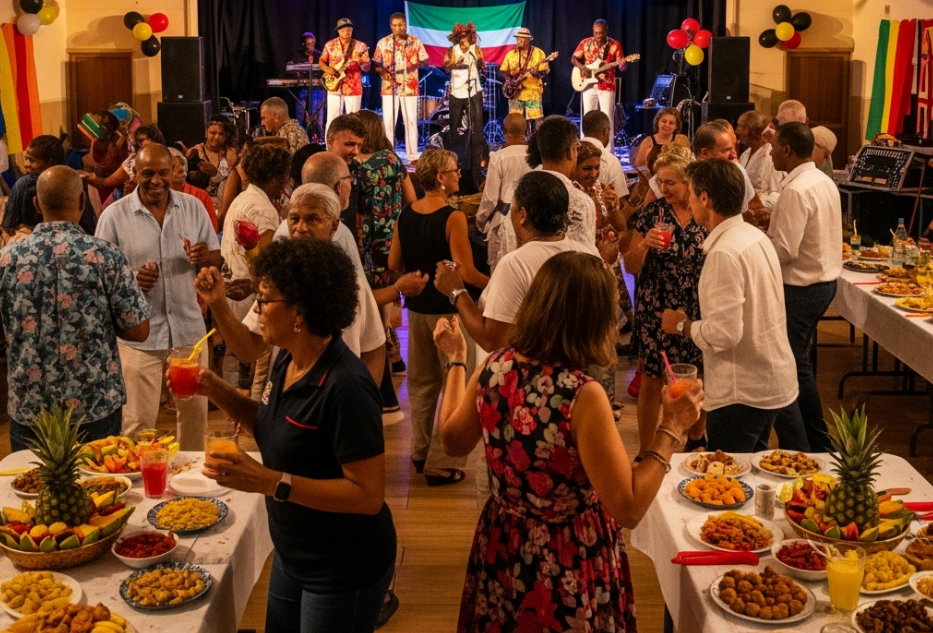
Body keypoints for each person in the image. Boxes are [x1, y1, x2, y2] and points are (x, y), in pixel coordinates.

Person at [434, 250, 704, 633]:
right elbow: (628, 508)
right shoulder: (582, 395)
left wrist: (457, 358)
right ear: (592, 321)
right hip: (567, 552)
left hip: (504, 541)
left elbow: (452, 442)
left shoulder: (494, 367)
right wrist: (672, 428)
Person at [188, 238, 396, 633]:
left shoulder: (346, 386)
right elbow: (272, 426)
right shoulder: (287, 359)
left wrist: (269, 481)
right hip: (293, 554)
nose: (256, 309)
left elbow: (368, 496)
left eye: (265, 300)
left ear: (299, 311)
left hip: (341, 567)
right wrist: (215, 388)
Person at [0, 166, 151, 452]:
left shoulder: (7, 260)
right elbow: (139, 331)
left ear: (37, 204)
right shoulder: (105, 256)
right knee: (96, 481)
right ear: (82, 200)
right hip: (94, 406)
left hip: (30, 407)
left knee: (30, 481)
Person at [661, 158, 806, 452]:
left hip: (743, 391)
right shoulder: (754, 236)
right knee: (753, 469)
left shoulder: (725, 253)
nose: (689, 201)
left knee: (728, 474)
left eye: (691, 193)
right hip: (769, 376)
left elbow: (725, 334)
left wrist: (682, 325)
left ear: (705, 198)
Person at [96, 144, 222, 449]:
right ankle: (138, 478)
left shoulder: (193, 208)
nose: (156, 181)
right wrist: (132, 281)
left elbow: (216, 259)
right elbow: (100, 277)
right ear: (134, 173)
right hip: (140, 337)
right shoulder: (114, 217)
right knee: (137, 424)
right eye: (147, 173)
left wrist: (205, 257)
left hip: (188, 335)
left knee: (194, 419)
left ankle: (191, 476)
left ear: (174, 172)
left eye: (163, 173)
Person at [389, 149, 488, 486]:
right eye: (454, 170)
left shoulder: (405, 214)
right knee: (457, 382)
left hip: (417, 310)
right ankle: (442, 462)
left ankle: (420, 452)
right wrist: (495, 283)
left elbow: (394, 263)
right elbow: (465, 271)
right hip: (450, 312)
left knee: (421, 384)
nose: (460, 174)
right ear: (440, 178)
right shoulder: (452, 217)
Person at [623, 148, 707, 458]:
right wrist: (645, 245)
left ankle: (696, 439)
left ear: (688, 182)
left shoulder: (705, 212)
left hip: (696, 308)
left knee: (698, 376)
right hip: (656, 309)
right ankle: (646, 451)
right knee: (652, 379)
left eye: (670, 182)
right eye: (659, 181)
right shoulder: (652, 214)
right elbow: (631, 265)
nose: (663, 188)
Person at [768, 122, 842, 452]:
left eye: (774, 146)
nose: (770, 152)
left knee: (787, 366)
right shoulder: (822, 181)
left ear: (787, 149)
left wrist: (756, 243)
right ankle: (815, 441)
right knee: (798, 364)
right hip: (823, 283)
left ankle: (807, 444)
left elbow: (785, 250)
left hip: (801, 287)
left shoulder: (797, 190)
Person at [521, 116, 597, 249]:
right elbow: (585, 256)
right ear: (569, 152)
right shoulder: (579, 201)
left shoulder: (520, 194)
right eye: (576, 148)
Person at [4, 135, 97, 242]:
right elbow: (9, 227)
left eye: (31, 160)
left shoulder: (70, 184)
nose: (26, 164)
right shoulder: (21, 186)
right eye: (26, 159)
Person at [475, 113, 530, 272]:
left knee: (503, 275)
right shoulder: (536, 156)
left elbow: (490, 199)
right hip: (532, 225)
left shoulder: (499, 158)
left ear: (504, 132)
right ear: (526, 131)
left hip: (505, 224)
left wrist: (480, 222)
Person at [372, 13, 429, 161]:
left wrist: (412, 65)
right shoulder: (383, 42)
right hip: (389, 86)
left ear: (405, 25)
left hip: (410, 86)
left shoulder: (415, 41)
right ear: (391, 26)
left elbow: (425, 60)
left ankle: (412, 155)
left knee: (411, 121)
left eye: (401, 25)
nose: (398, 28)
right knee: (388, 122)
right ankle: (389, 154)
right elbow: (376, 63)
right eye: (395, 25)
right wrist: (383, 73)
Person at [443, 22, 489, 192]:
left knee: (477, 125)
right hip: (457, 92)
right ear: (457, 38)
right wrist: (457, 63)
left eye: (466, 38)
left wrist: (478, 60)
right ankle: (455, 157)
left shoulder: (475, 49)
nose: (464, 41)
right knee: (455, 126)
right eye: (461, 38)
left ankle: (476, 156)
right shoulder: (452, 51)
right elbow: (446, 67)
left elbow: (482, 65)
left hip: (474, 90)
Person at [79, 125, 164, 206]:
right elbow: (105, 182)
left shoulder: (166, 160)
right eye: (138, 142)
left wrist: (137, 189)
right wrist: (89, 176)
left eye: (142, 140)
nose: (139, 144)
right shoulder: (132, 161)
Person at [572, 19, 626, 139]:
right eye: (595, 33)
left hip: (607, 86)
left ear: (606, 31)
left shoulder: (615, 45)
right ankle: (586, 144)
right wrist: (582, 67)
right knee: (588, 118)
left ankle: (608, 148)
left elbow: (622, 68)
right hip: (588, 85)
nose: (598, 36)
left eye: (600, 33)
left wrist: (623, 65)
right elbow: (574, 58)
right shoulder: (586, 43)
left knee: (607, 119)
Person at [320, 18, 371, 135]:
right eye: (343, 30)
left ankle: (352, 145)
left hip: (353, 88)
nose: (347, 32)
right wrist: (328, 69)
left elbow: (367, 68)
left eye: (349, 29)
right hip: (334, 87)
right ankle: (330, 145)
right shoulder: (330, 45)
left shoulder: (360, 46)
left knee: (354, 121)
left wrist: (361, 62)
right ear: (338, 31)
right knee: (332, 120)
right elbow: (321, 61)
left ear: (352, 30)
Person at [499, 28, 551, 130]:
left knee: (537, 118)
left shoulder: (538, 53)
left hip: (533, 91)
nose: (518, 40)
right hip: (515, 93)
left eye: (521, 38)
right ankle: (517, 139)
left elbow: (545, 72)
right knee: (515, 120)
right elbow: (502, 71)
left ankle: (538, 138)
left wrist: (537, 73)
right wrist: (511, 81)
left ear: (528, 40)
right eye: (517, 38)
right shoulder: (511, 54)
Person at [185, 115, 239, 211]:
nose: (216, 137)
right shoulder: (195, 153)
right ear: (206, 133)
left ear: (226, 135)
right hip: (199, 206)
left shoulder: (232, 154)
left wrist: (215, 174)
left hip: (227, 208)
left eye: (221, 134)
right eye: (213, 133)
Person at [324, 113, 366, 233]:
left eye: (359, 145)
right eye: (350, 144)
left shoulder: (357, 169)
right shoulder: (313, 167)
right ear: (330, 141)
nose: (356, 151)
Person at [737, 110, 783, 214]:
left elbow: (778, 196)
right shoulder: (744, 155)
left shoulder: (771, 156)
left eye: (741, 127)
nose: (737, 131)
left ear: (754, 129)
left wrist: (757, 201)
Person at [581, 110, 631, 201]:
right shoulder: (611, 161)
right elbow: (620, 201)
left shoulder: (570, 155)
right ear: (605, 131)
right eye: (587, 168)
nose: (593, 174)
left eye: (597, 168)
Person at [168, 148, 218, 232]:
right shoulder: (155, 196)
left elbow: (212, 231)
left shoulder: (201, 196)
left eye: (183, 171)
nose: (183, 174)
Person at [633, 107, 691, 172]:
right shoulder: (648, 141)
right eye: (664, 121)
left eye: (671, 123)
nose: (667, 125)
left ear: (676, 126)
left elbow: (688, 162)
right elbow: (639, 165)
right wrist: (651, 178)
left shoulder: (682, 140)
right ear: (657, 122)